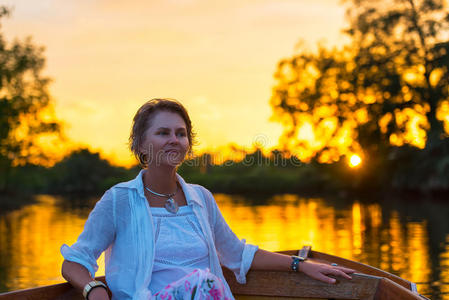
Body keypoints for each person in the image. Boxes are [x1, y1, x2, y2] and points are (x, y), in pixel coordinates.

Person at [61, 98, 354, 300]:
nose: (174, 139)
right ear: (140, 144)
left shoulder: (201, 198)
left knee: (205, 284)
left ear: (189, 145)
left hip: (207, 295)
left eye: (181, 133)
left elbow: (237, 254)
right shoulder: (120, 200)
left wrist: (299, 265)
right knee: (204, 282)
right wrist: (93, 290)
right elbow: (74, 262)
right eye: (163, 132)